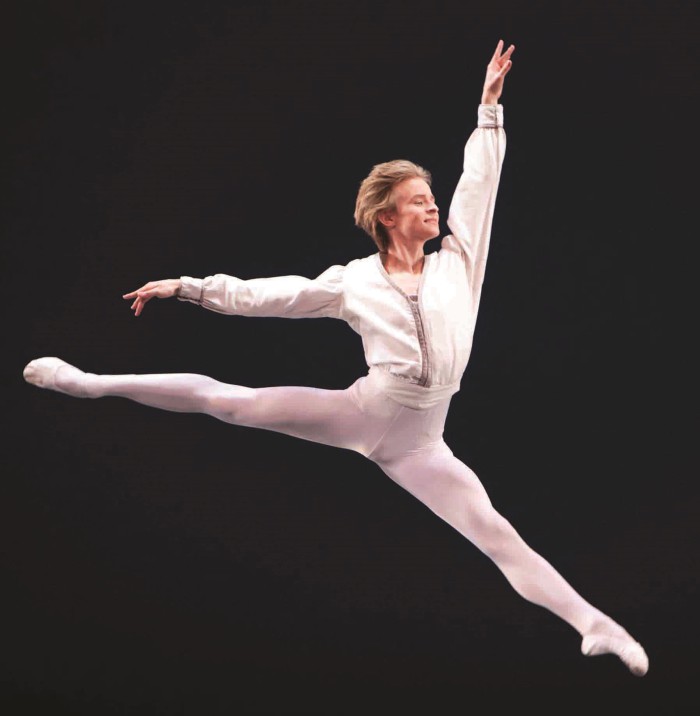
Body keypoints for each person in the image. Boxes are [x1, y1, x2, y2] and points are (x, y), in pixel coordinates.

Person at [23, 40, 648, 676]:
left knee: (496, 534)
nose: (432, 205)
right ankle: (89, 383)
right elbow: (268, 296)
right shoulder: (354, 281)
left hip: (422, 445)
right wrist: (189, 287)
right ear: (386, 216)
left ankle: (596, 625)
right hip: (363, 412)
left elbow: (480, 186)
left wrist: (489, 110)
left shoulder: (459, 260)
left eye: (431, 196)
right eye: (417, 199)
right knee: (228, 402)